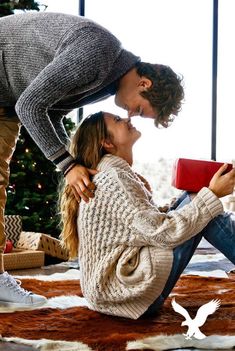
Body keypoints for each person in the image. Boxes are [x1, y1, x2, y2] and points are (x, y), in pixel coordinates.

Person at [0, 11, 184, 305]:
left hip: (8, 99)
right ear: (144, 84)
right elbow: (32, 105)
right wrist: (68, 165)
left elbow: (53, 111)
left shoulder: (109, 81)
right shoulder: (98, 54)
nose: (129, 116)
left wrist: (76, 166)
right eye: (139, 110)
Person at [59, 111, 235, 319]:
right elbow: (162, 233)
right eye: (117, 120)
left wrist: (193, 200)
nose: (127, 119)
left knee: (199, 200)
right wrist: (212, 194)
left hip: (111, 294)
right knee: (203, 202)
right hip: (127, 293)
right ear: (106, 142)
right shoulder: (113, 178)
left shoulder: (113, 173)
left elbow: (144, 224)